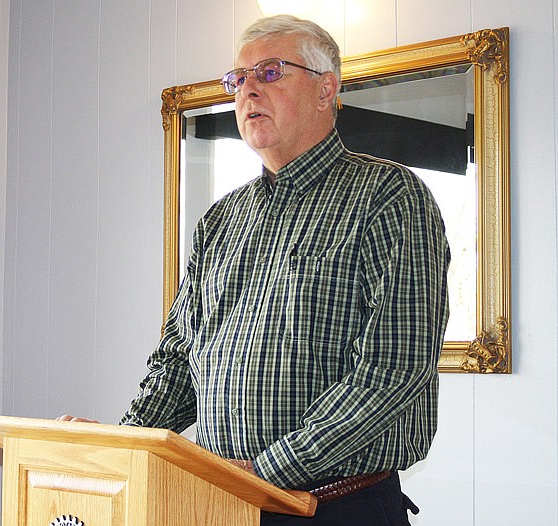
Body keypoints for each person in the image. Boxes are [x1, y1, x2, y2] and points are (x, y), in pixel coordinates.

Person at [60, 14, 449, 526]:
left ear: (325, 89)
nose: (246, 91)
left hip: (334, 507)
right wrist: (126, 444)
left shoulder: (389, 198)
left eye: (268, 73)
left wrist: (269, 471)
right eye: (237, 79)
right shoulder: (221, 219)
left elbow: (392, 372)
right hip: (225, 503)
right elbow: (179, 360)